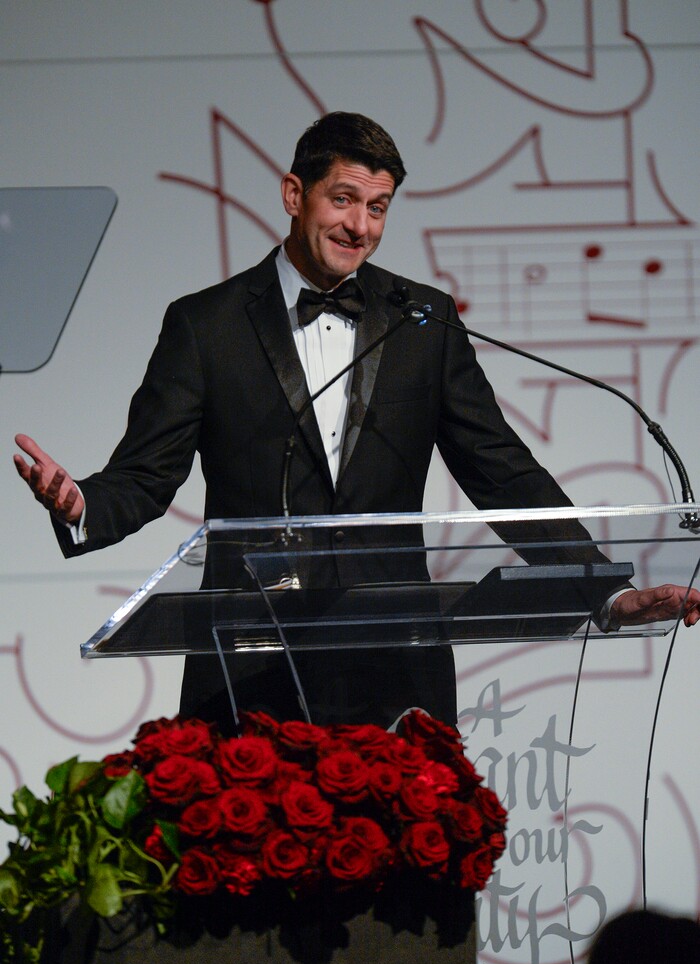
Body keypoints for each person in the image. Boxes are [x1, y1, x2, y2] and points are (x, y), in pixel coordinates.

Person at [13, 112, 700, 731]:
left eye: (378, 208)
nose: (360, 227)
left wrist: (605, 589)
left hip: (395, 670)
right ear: (294, 194)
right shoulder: (206, 325)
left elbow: (502, 472)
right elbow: (146, 475)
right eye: (342, 200)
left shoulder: (423, 319)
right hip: (250, 666)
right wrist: (82, 503)